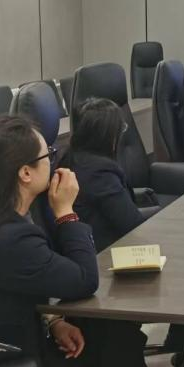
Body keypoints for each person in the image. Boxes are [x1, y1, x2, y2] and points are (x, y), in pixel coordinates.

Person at [0, 115, 157, 367]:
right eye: (48, 155)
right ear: (25, 173)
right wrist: (66, 212)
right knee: (111, 342)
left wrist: (53, 322)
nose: (54, 162)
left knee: (109, 334)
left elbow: (16, 286)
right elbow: (85, 280)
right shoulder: (10, 238)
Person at [67, 98, 156, 252]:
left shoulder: (71, 158)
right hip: (110, 252)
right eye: (120, 129)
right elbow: (132, 225)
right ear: (108, 135)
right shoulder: (100, 174)